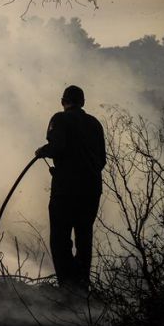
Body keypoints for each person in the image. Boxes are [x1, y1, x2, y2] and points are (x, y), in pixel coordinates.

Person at [35, 85, 106, 292]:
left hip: (66, 191)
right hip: (91, 191)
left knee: (60, 238)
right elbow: (101, 160)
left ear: (62, 101)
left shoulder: (59, 118)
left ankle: (67, 287)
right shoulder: (95, 124)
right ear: (83, 102)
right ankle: (82, 287)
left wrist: (42, 151)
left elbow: (57, 146)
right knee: (84, 237)